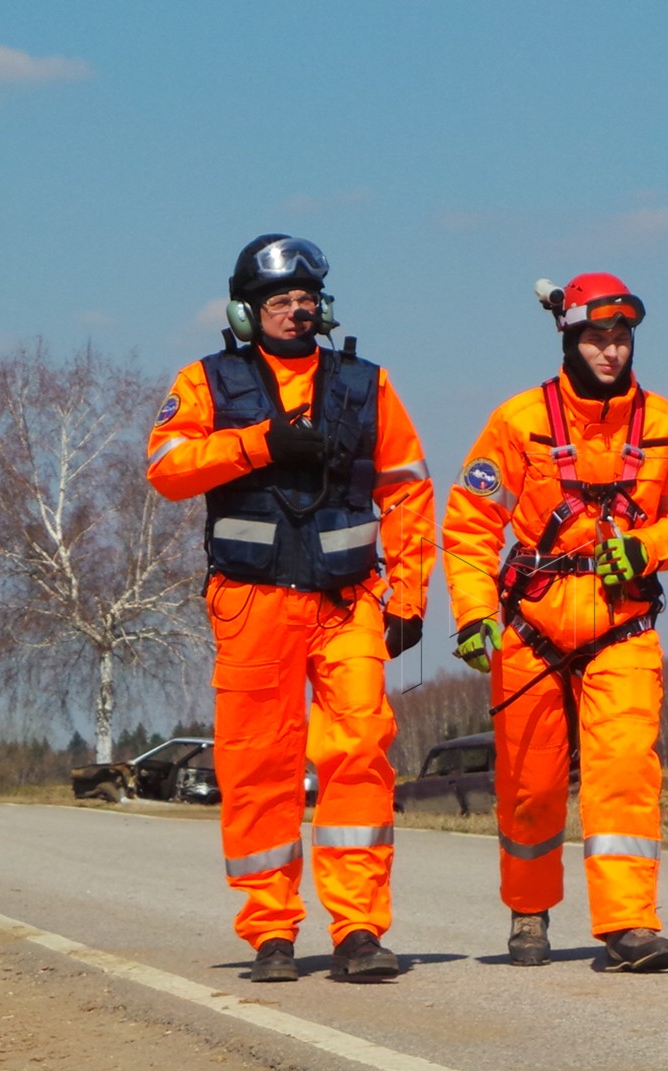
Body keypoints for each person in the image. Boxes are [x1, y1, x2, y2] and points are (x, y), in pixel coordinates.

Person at [146, 235, 435, 984]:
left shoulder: (366, 385)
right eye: (280, 301)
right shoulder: (208, 381)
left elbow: (406, 488)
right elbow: (167, 468)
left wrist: (408, 594)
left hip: (348, 603)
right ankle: (271, 931)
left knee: (359, 757)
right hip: (251, 602)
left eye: (306, 299)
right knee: (259, 768)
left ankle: (359, 930)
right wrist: (256, 444)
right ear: (248, 310)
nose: (296, 312)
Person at [442, 273, 668, 972]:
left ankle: (628, 925)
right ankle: (529, 908)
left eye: (620, 337)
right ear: (568, 337)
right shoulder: (516, 422)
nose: (610, 351)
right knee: (529, 787)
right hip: (530, 630)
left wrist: (648, 547)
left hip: (622, 630)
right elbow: (470, 526)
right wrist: (474, 615)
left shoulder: (666, 426)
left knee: (622, 771)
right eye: (596, 337)